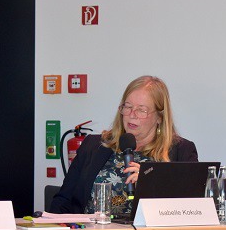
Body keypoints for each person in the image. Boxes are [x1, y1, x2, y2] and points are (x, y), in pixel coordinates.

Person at [50, 75, 198, 215]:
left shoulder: (182, 151)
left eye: (141, 110)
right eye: (128, 107)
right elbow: (63, 201)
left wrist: (152, 185)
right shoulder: (93, 146)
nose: (132, 115)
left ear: (160, 117)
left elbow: (192, 209)